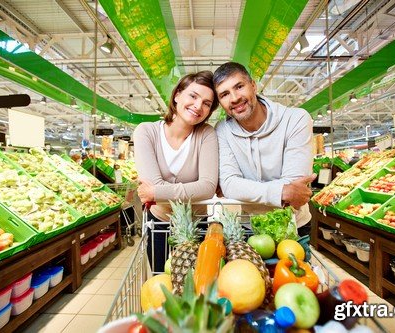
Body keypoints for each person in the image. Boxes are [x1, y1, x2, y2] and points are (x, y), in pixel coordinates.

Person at [213, 62, 316, 237]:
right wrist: (282, 191)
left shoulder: (296, 119)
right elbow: (229, 184)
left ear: (253, 85)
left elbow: (295, 182)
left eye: (239, 86)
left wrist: (245, 189)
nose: (235, 98)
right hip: (248, 229)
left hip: (294, 226)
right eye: (224, 94)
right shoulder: (222, 130)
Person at [133, 71, 219, 271]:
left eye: (207, 103)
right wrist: (189, 190)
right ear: (177, 95)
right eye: (193, 96)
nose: (198, 106)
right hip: (159, 223)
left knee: (197, 285)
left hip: (196, 224)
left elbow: (207, 187)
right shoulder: (146, 132)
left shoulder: (206, 134)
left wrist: (157, 193)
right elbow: (199, 186)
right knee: (161, 279)